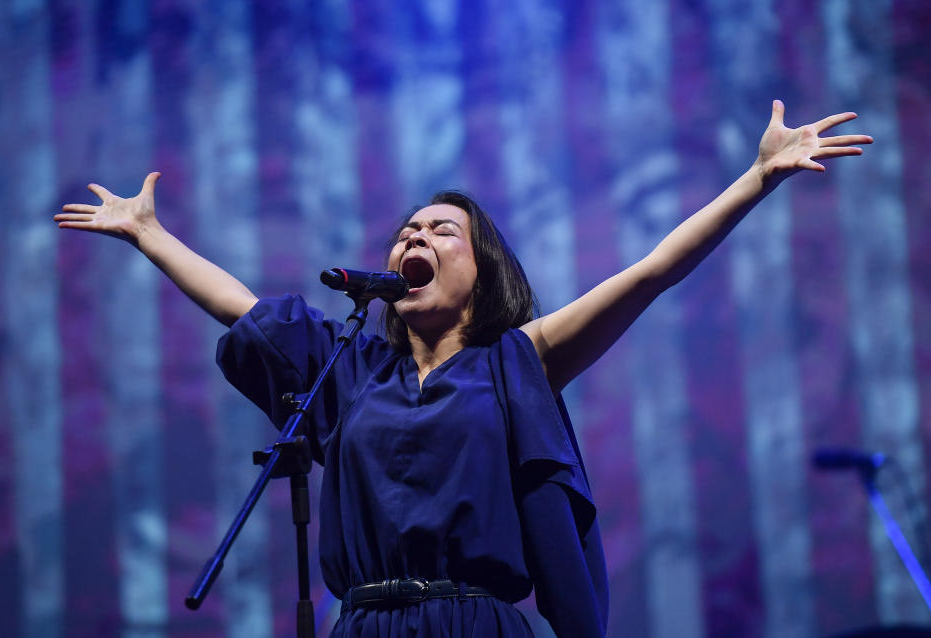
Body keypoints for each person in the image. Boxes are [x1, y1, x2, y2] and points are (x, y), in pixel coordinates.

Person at [56, 100, 871, 637]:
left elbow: (649, 272)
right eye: (406, 230)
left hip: (475, 625)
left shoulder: (515, 360)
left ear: (482, 270)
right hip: (367, 623)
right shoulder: (350, 367)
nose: (415, 238)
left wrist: (755, 179)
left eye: (442, 231)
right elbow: (241, 308)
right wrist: (149, 235)